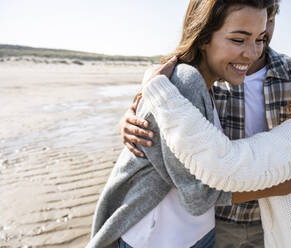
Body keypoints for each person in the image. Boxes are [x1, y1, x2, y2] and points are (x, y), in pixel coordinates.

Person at [118, 1, 291, 246]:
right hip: (217, 218)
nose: (260, 39)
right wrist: (132, 115)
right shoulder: (209, 69)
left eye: (267, 22)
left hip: (267, 216)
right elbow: (172, 119)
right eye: (240, 37)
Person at [89, 1, 276, 247]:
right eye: (239, 40)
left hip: (192, 232)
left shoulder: (208, 81)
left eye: (260, 39)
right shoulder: (186, 82)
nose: (253, 54)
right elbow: (198, 196)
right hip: (162, 237)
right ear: (203, 37)